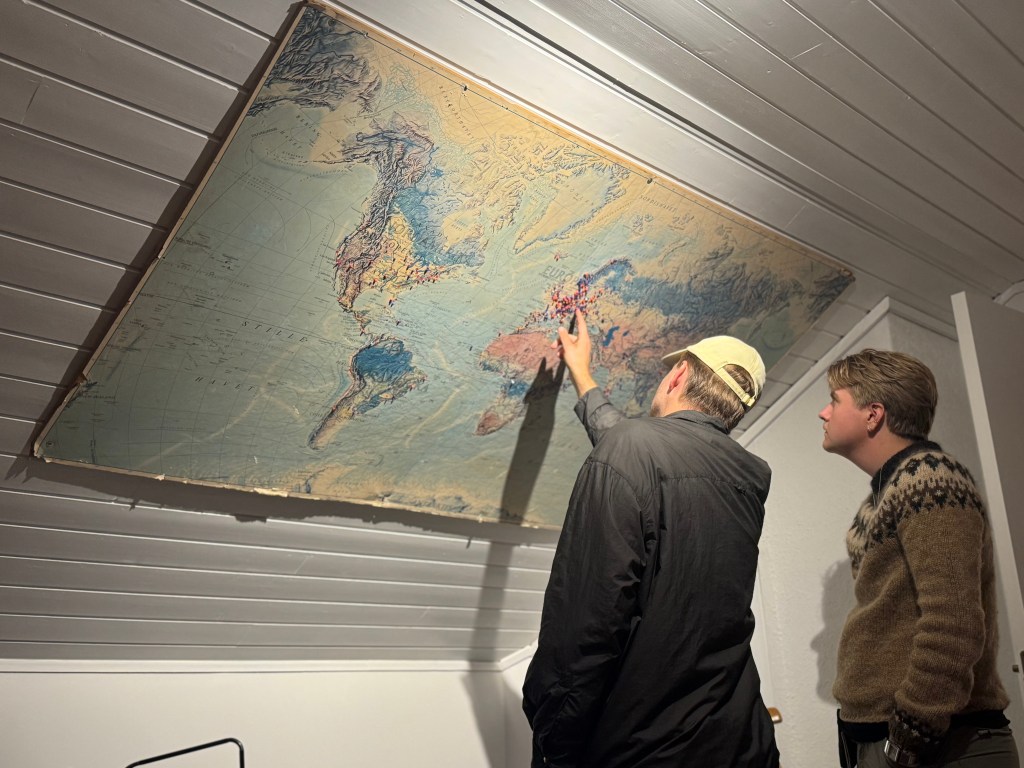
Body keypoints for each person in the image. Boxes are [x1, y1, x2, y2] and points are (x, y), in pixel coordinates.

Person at [522, 309, 780, 768]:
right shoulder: (748, 476)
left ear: (678, 375)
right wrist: (582, 375)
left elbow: (584, 626)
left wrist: (553, 743)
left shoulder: (632, 449)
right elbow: (638, 453)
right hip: (741, 740)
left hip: (648, 751)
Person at [819, 349, 1018, 768]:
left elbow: (954, 620)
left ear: (873, 414)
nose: (824, 412)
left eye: (834, 400)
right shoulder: (884, 496)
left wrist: (910, 735)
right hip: (893, 740)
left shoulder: (929, 479)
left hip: (939, 746)